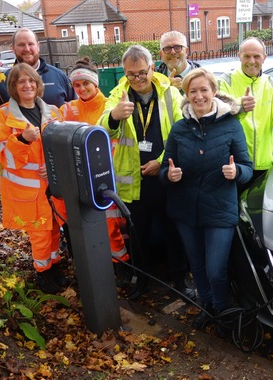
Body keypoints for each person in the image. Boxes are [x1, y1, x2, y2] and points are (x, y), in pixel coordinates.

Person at [159, 68, 253, 337]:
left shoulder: (231, 125)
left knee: (215, 269)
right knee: (197, 266)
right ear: (186, 96)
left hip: (220, 208)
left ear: (213, 91)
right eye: (193, 91)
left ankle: (222, 311)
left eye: (204, 90)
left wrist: (237, 173)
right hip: (186, 211)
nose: (199, 96)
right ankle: (207, 307)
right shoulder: (179, 129)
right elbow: (166, 169)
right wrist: (170, 175)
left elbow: (247, 166)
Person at [98, 44, 195, 301]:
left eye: (142, 72)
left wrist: (161, 163)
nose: (138, 79)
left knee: (174, 231)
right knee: (137, 233)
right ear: (125, 74)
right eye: (131, 74)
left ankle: (180, 278)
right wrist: (115, 117)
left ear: (152, 68)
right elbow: (103, 129)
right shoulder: (119, 94)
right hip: (134, 179)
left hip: (164, 177)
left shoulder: (170, 93)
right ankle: (141, 279)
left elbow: (181, 134)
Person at [0, 63, 67, 294]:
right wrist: (22, 140)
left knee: (54, 229)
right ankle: (43, 274)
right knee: (40, 234)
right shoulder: (3, 116)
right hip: (28, 193)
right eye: (21, 81)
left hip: (52, 186)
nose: (27, 85)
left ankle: (55, 268)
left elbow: (64, 147)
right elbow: (0, 155)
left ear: (38, 84)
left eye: (31, 80)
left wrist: (55, 169)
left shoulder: (53, 111)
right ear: (13, 86)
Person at [60, 57, 131, 285]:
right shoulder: (68, 109)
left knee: (112, 225)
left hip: (107, 175)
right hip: (81, 178)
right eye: (76, 85)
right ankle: (101, 266)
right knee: (90, 224)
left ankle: (122, 266)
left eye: (86, 84)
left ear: (95, 83)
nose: (81, 89)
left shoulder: (108, 106)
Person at [217, 36, 273, 184]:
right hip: (234, 163)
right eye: (246, 56)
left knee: (257, 207)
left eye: (256, 56)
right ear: (239, 56)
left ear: (264, 58)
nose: (252, 61)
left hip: (263, 164)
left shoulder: (272, 85)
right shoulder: (226, 81)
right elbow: (218, 119)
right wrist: (239, 107)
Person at [0, 28, 76, 122]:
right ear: (13, 48)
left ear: (38, 46)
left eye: (30, 44)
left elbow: (77, 110)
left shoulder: (59, 77)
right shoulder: (0, 83)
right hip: (19, 143)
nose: (27, 49)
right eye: (21, 45)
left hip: (56, 143)